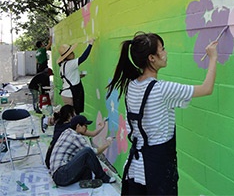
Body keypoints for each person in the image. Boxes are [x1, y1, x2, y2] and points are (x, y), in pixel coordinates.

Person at [106, 32, 218, 196]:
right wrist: (213, 58)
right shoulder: (162, 89)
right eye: (162, 49)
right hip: (157, 171)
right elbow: (206, 89)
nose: (166, 53)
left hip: (135, 169)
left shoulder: (131, 86)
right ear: (152, 58)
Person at [49, 114, 116, 188]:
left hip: (59, 175)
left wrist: (102, 126)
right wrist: (107, 144)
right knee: (87, 151)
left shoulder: (68, 131)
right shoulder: (75, 137)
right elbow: (94, 152)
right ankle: (103, 177)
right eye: (85, 126)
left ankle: (85, 181)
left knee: (87, 164)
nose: (86, 128)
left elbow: (92, 134)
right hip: (61, 174)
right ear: (78, 126)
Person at [45, 104, 108, 169]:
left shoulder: (58, 124)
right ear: (70, 115)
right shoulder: (71, 128)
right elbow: (93, 135)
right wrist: (103, 127)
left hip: (50, 159)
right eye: (74, 114)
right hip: (58, 165)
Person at [57, 38, 95, 114]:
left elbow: (68, 77)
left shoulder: (63, 65)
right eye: (71, 52)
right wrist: (90, 44)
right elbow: (83, 58)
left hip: (66, 94)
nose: (73, 53)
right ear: (68, 56)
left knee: (71, 115)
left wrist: (78, 76)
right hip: (71, 94)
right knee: (74, 116)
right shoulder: (71, 63)